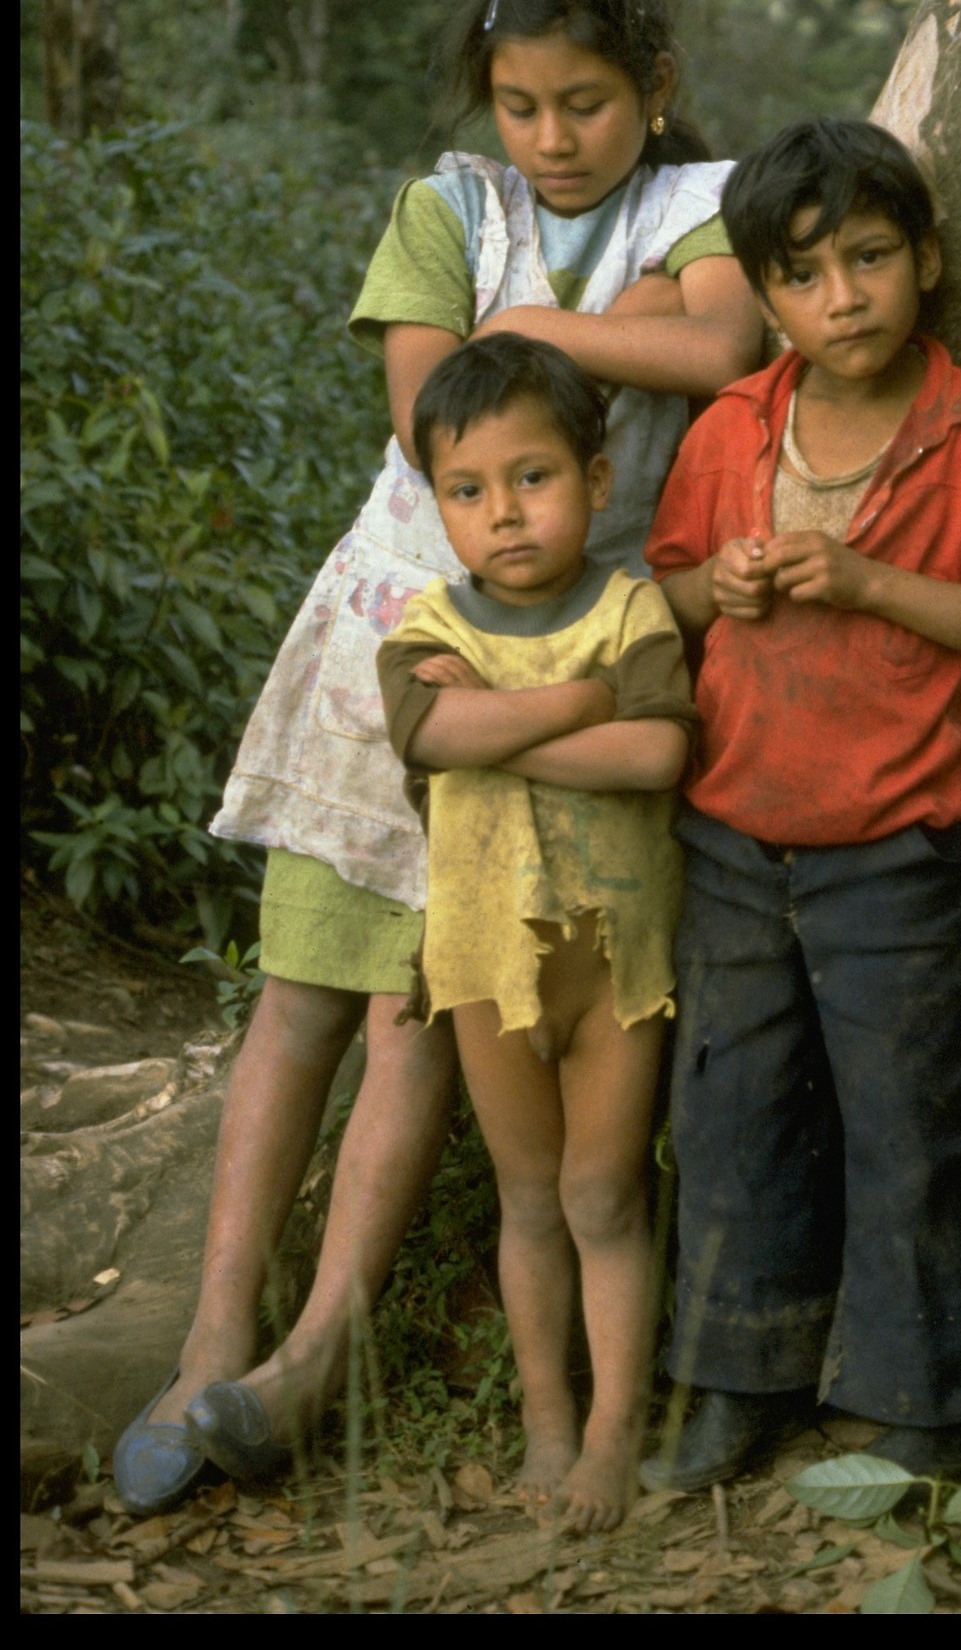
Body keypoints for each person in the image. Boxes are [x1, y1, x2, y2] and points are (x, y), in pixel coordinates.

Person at [114, 0, 763, 1515]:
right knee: (307, 987)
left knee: (426, 1003)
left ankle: (315, 1351)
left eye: (588, 104)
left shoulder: (705, 205)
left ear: (657, 90)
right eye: (521, 104)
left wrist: (524, 332)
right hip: (402, 628)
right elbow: (427, 416)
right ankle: (207, 1336)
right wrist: (559, 353)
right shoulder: (447, 204)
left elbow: (728, 340)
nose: (549, 139)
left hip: (578, 647)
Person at [640, 116, 961, 1494]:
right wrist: (722, 589)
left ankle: (939, 1393)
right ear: (767, 295)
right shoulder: (736, 425)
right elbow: (669, 591)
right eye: (806, 276)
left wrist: (866, 585)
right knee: (734, 1114)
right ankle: (735, 1381)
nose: (845, 298)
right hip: (735, 832)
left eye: (871, 259)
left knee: (910, 1119)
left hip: (897, 841)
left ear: (924, 257)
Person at [375, 335, 695, 1531]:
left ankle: (614, 1427)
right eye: (468, 490)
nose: (503, 513)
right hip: (479, 963)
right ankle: (546, 1419)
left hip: (614, 962)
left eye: (533, 477)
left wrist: (498, 713)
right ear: (438, 505)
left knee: (603, 1192)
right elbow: (429, 738)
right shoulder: (423, 619)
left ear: (597, 482)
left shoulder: (630, 606)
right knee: (528, 1196)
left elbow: (656, 752)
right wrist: (575, 701)